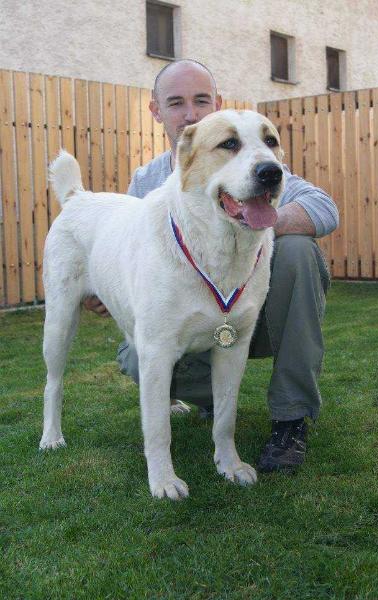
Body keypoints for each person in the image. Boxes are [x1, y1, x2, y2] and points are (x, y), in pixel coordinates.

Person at [85, 59, 339, 473]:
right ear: (156, 111)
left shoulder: (263, 169)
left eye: (202, 100)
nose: (191, 113)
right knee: (136, 357)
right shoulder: (148, 181)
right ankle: (210, 400)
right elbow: (119, 252)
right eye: (176, 103)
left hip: (253, 319)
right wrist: (103, 286)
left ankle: (291, 417)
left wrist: (265, 220)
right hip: (187, 327)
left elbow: (325, 209)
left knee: (297, 250)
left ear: (218, 102)